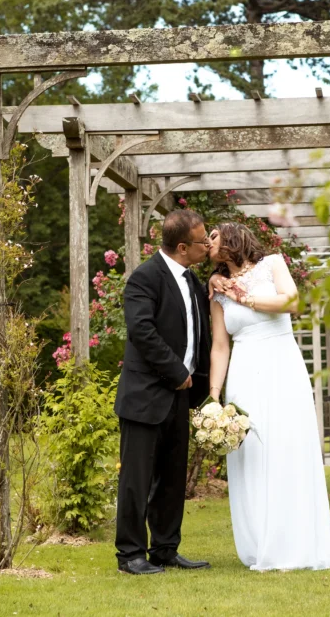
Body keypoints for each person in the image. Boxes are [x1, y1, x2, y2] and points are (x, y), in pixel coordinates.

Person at [207, 222, 330, 571]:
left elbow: (291, 302)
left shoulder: (273, 264)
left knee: (287, 446)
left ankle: (295, 543)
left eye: (214, 237)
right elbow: (220, 347)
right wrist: (214, 397)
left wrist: (245, 297)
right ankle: (260, 542)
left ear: (232, 238)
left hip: (282, 365)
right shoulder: (217, 291)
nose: (208, 243)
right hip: (245, 371)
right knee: (253, 453)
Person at [114, 209, 212, 575]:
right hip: (145, 396)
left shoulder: (193, 280)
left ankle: (165, 549)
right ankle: (130, 555)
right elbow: (142, 332)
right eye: (203, 241)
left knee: (172, 480)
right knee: (136, 481)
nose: (208, 245)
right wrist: (176, 373)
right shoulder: (144, 278)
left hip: (180, 397)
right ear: (183, 247)